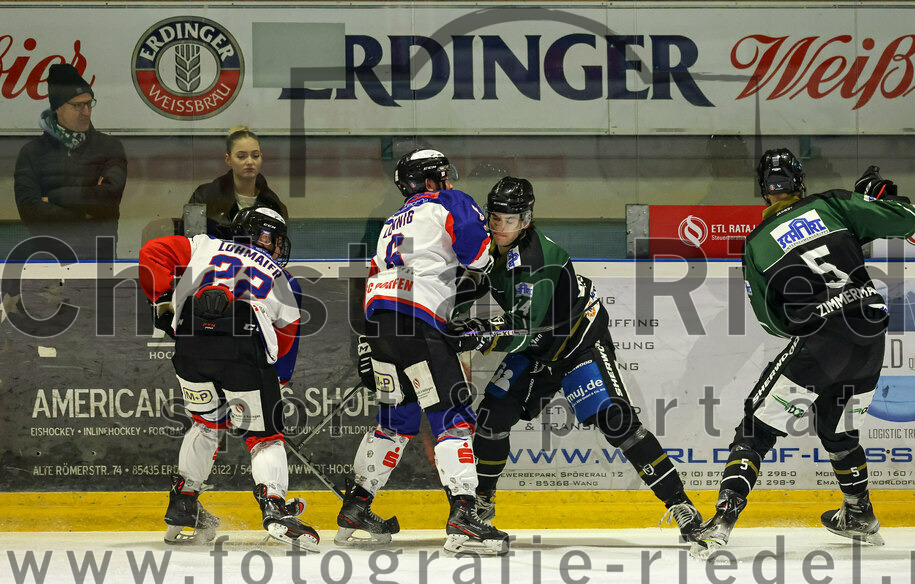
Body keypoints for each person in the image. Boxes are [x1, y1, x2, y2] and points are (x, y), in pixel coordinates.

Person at [691, 149, 915, 558]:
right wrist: (879, 198)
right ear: (800, 182)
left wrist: (810, 320)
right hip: (870, 334)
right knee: (838, 429)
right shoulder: (832, 204)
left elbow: (770, 322)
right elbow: (908, 221)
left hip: (821, 341)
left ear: (764, 190)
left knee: (756, 429)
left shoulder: (757, 243)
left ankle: (721, 522)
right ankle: (859, 514)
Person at [451, 177, 702, 540]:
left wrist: (479, 331)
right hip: (537, 347)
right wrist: (446, 319)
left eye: (510, 220)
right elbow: (471, 285)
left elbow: (523, 329)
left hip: (576, 342)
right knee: (491, 418)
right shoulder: (486, 246)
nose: (500, 226)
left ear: (526, 220)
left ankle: (681, 505)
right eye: (495, 218)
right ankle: (482, 503)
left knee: (617, 421)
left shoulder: (534, 261)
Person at [338, 148, 509, 556]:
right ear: (431, 180)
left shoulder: (390, 222)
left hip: (380, 324)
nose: (448, 180)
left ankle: (356, 506)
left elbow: (376, 274)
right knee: (452, 418)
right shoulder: (451, 201)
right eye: (442, 175)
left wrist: (367, 340)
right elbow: (478, 257)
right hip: (419, 321)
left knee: (395, 422)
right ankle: (464, 515)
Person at [138, 206, 319, 551]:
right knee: (265, 437)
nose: (277, 246)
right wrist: (277, 382)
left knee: (206, 425)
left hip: (191, 344)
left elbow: (151, 252)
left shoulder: (204, 245)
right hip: (243, 347)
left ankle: (183, 503)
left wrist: (161, 300)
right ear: (266, 239)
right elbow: (285, 339)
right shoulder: (283, 277)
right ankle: (275, 508)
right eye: (274, 239)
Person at [14, 63, 127, 260]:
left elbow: (108, 198)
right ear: (57, 108)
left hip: (98, 258)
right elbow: (29, 210)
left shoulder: (109, 147)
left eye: (89, 104)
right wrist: (86, 214)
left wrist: (53, 198)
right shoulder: (32, 152)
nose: (86, 112)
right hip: (47, 258)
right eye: (77, 105)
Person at [186, 127, 287, 239]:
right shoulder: (203, 196)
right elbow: (190, 243)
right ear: (228, 159)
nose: (250, 161)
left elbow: (279, 246)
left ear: (261, 158)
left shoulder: (273, 204)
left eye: (255, 156)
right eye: (241, 156)